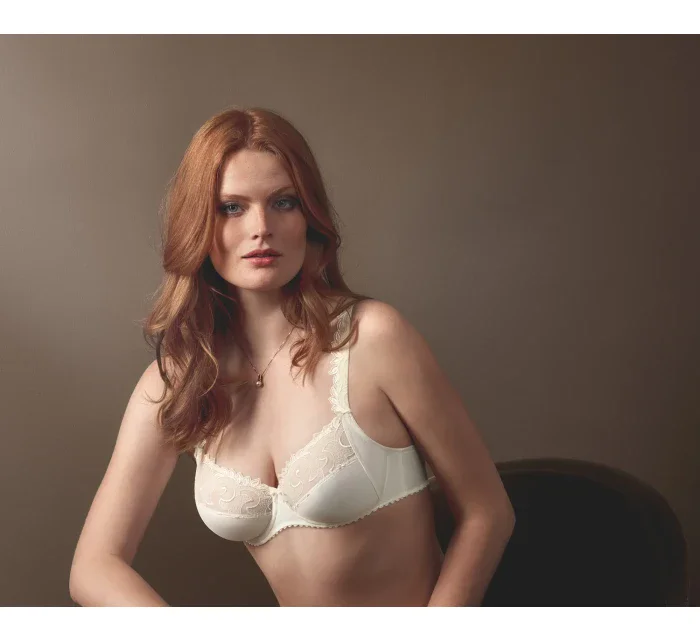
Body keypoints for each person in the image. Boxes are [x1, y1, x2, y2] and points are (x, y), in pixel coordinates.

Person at [69, 106, 515, 607]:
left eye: (283, 202)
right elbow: (93, 567)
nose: (261, 227)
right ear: (199, 223)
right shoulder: (180, 380)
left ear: (309, 217)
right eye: (231, 208)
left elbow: (487, 511)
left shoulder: (372, 338)